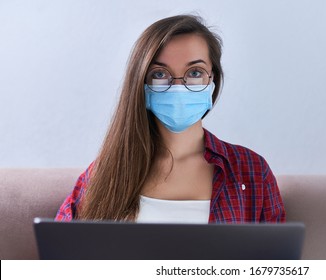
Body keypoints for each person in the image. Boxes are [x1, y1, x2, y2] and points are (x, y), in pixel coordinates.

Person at [55, 15, 285, 223]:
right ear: (142, 85)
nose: (178, 87)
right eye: (159, 74)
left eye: (195, 72)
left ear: (212, 80)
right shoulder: (106, 173)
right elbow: (60, 253)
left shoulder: (252, 171)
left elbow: (275, 264)